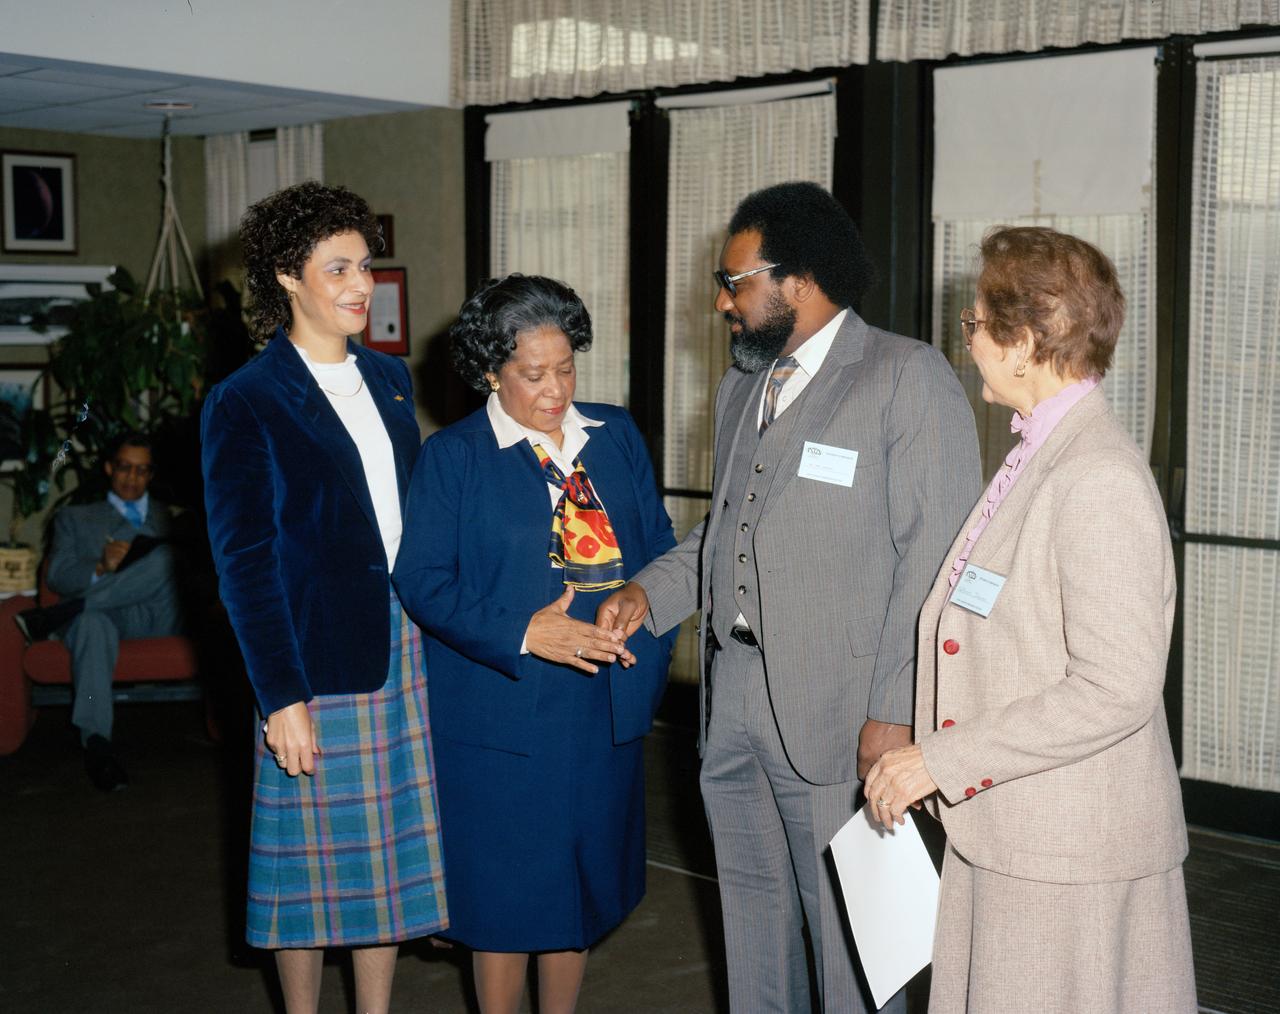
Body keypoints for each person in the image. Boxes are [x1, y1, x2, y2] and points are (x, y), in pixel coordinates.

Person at [597, 181, 982, 1012]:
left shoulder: (906, 377)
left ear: (798, 280)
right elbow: (728, 530)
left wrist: (894, 710)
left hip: (845, 721)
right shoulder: (744, 386)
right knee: (754, 934)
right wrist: (648, 594)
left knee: (853, 949)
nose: (723, 301)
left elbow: (939, 563)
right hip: (732, 704)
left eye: (736, 281)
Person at [865, 226, 1195, 1012]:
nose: (968, 340)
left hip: (1068, 854)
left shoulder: (1096, 476)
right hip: (1017, 832)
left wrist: (939, 760)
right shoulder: (1042, 453)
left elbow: (1116, 688)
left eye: (976, 324)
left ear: (1024, 342)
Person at [393, 273, 678, 1014]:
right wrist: (525, 630)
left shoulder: (615, 437)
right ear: (491, 371)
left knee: (579, 889)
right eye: (532, 374)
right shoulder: (454, 457)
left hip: (600, 704)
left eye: (566, 368)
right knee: (507, 898)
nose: (555, 390)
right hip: (505, 715)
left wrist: (637, 599)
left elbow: (661, 547)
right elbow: (422, 580)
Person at [201, 181, 446, 1014]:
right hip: (311, 658)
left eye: (364, 265)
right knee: (307, 871)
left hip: (402, 644)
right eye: (335, 267)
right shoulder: (245, 401)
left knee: (385, 867)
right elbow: (245, 562)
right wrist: (281, 696)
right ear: (284, 277)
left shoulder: (388, 380)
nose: (358, 284)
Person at [20, 432, 182, 791]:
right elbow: (59, 574)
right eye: (124, 467)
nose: (132, 477)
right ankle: (98, 744)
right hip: (107, 619)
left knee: (167, 557)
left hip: (157, 616)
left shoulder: (168, 517)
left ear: (151, 475)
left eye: (142, 470)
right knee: (91, 623)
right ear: (109, 468)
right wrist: (99, 566)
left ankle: (67, 612)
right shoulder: (76, 518)